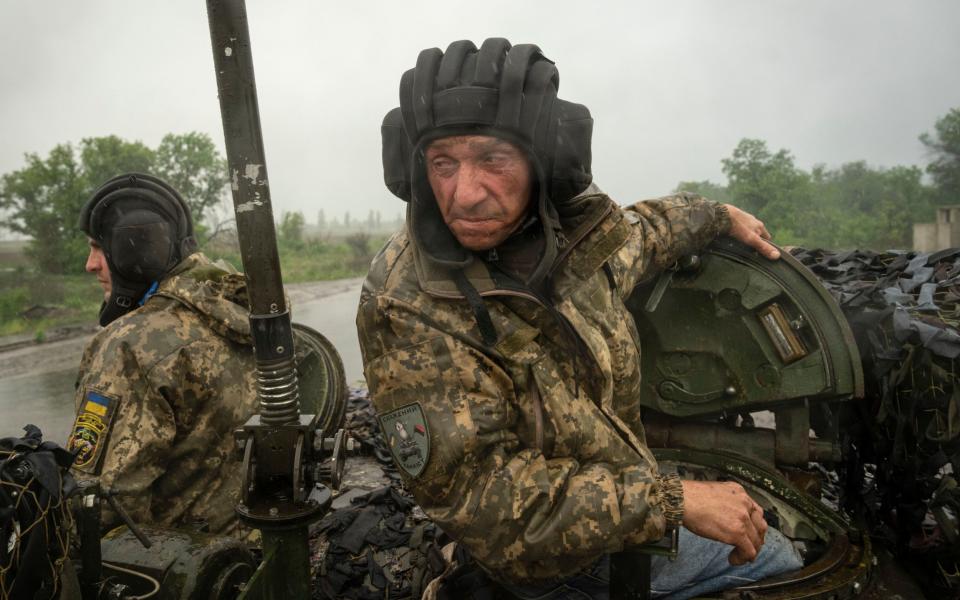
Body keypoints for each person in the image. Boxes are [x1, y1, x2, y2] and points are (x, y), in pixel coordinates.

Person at [357, 38, 802, 599]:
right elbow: (485, 502)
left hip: (615, 502)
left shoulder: (577, 243)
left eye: (492, 159)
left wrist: (718, 216)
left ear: (544, 163)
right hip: (553, 563)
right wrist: (672, 500)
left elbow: (647, 232)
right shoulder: (409, 304)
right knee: (779, 559)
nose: (465, 194)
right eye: (443, 163)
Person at [67, 172, 258, 536]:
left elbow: (103, 507)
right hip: (249, 545)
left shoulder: (130, 347)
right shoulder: (241, 309)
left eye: (98, 248)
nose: (90, 265)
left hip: (180, 572)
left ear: (134, 248)